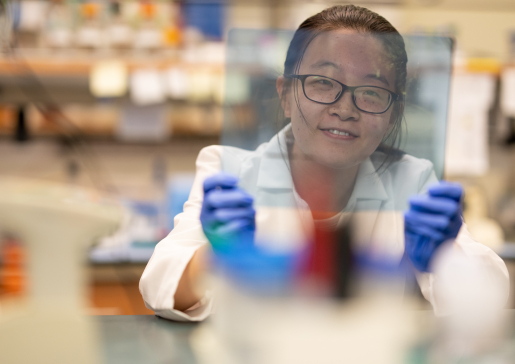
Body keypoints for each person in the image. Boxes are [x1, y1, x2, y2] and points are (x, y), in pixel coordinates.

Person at [140, 5, 509, 322]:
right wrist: (218, 258)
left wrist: (446, 259)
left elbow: (489, 293)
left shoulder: (412, 180)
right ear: (286, 95)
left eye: (371, 91)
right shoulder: (231, 170)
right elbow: (160, 282)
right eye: (322, 82)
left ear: (394, 114)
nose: (344, 108)